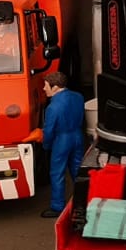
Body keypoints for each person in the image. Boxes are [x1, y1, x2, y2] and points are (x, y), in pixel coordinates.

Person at [39, 69, 86, 219]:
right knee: (78, 170)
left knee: (57, 173)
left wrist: (46, 145)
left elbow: (49, 130)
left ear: (55, 87)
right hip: (77, 136)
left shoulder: (53, 107)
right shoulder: (78, 97)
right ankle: (84, 201)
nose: (44, 88)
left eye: (46, 85)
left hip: (62, 140)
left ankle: (57, 206)